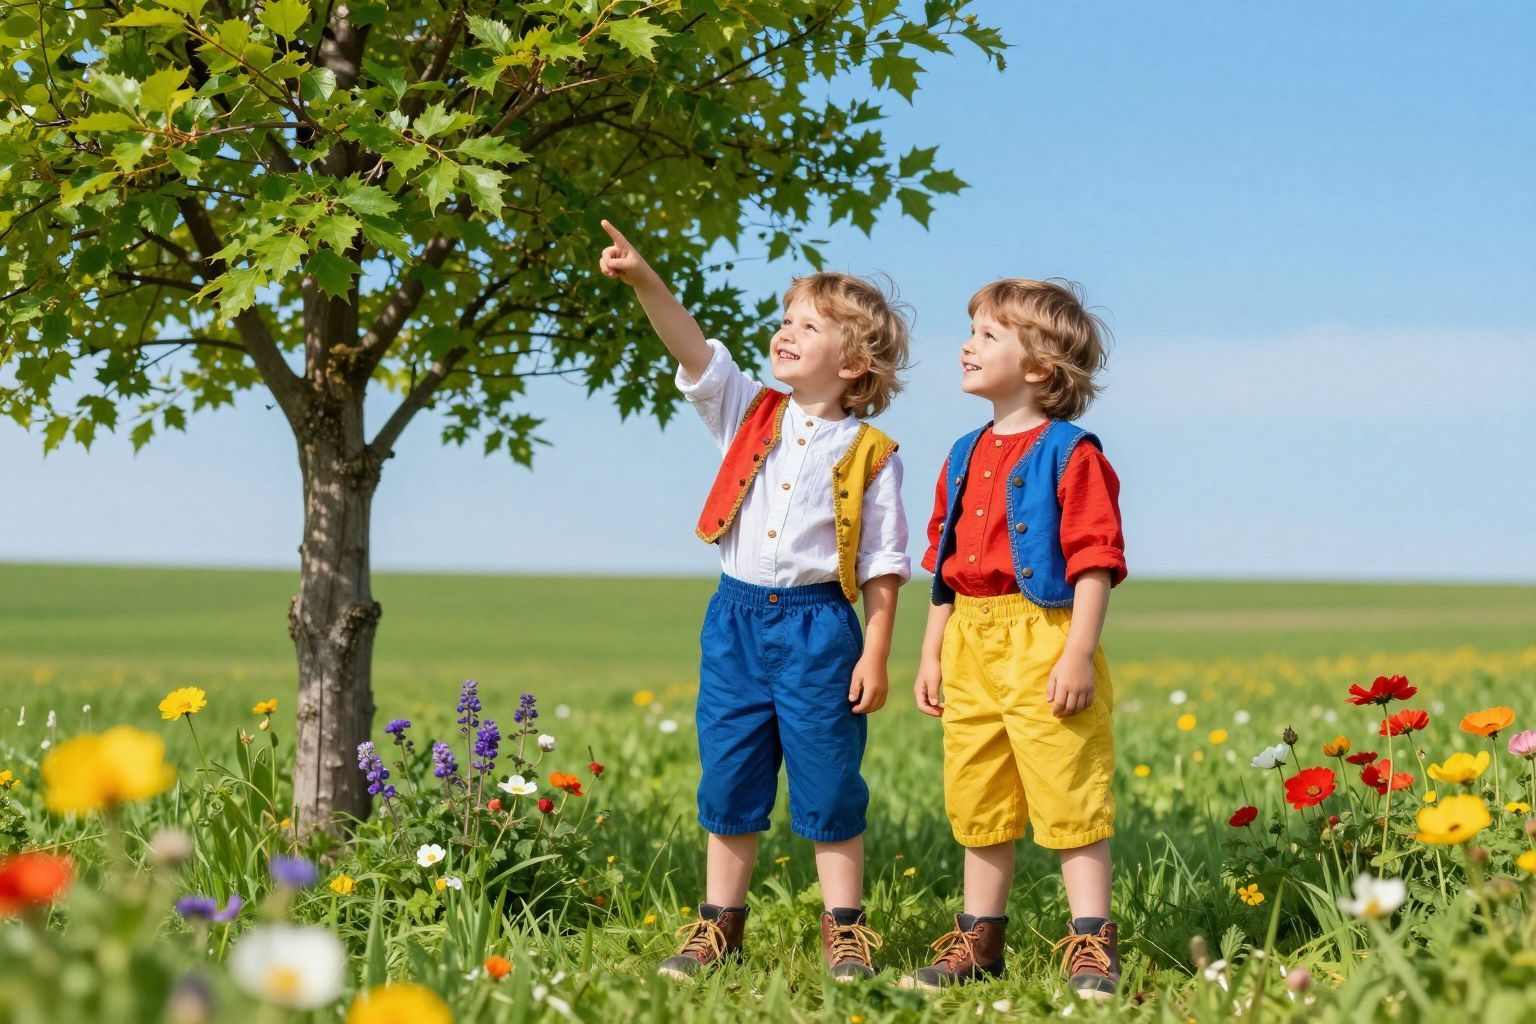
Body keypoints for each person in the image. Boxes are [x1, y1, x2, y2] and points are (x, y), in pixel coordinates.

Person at [598, 221, 911, 982]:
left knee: (830, 780)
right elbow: (692, 349)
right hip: (736, 620)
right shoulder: (747, 412)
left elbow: (883, 564)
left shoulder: (872, 454)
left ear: (856, 361)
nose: (786, 332)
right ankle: (719, 928)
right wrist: (645, 279)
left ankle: (844, 930)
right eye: (786, 320)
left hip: (820, 632)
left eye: (809, 325)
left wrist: (875, 650)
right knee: (730, 776)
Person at [904, 279, 1127, 1001]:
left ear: (1039, 366)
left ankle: (1091, 941)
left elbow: (1094, 558)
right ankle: (979, 939)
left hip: (1044, 635)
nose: (968, 345)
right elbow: (942, 565)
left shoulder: (1073, 452)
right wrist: (932, 649)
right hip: (971, 636)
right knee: (979, 792)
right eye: (971, 330)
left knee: (1068, 788)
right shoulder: (963, 452)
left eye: (988, 334)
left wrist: (1077, 652)